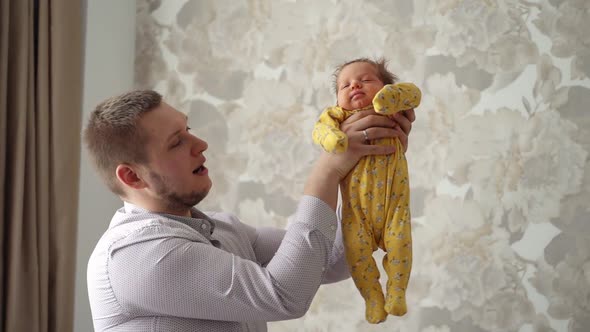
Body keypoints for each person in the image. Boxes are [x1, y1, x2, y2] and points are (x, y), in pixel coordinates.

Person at [84, 87, 415, 331]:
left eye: (188, 130)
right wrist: (327, 171)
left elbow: (333, 260)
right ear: (131, 176)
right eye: (176, 142)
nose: (200, 145)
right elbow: (285, 296)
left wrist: (370, 163)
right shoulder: (137, 256)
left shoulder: (222, 230)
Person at [312, 58, 420, 323]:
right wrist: (332, 138)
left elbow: (414, 94)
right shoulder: (339, 116)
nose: (354, 85)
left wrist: (391, 98)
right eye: (344, 85)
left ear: (385, 86)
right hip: (356, 213)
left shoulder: (393, 111)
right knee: (356, 255)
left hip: (395, 207)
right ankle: (373, 297)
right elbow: (319, 130)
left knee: (400, 246)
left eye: (366, 80)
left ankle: (396, 292)